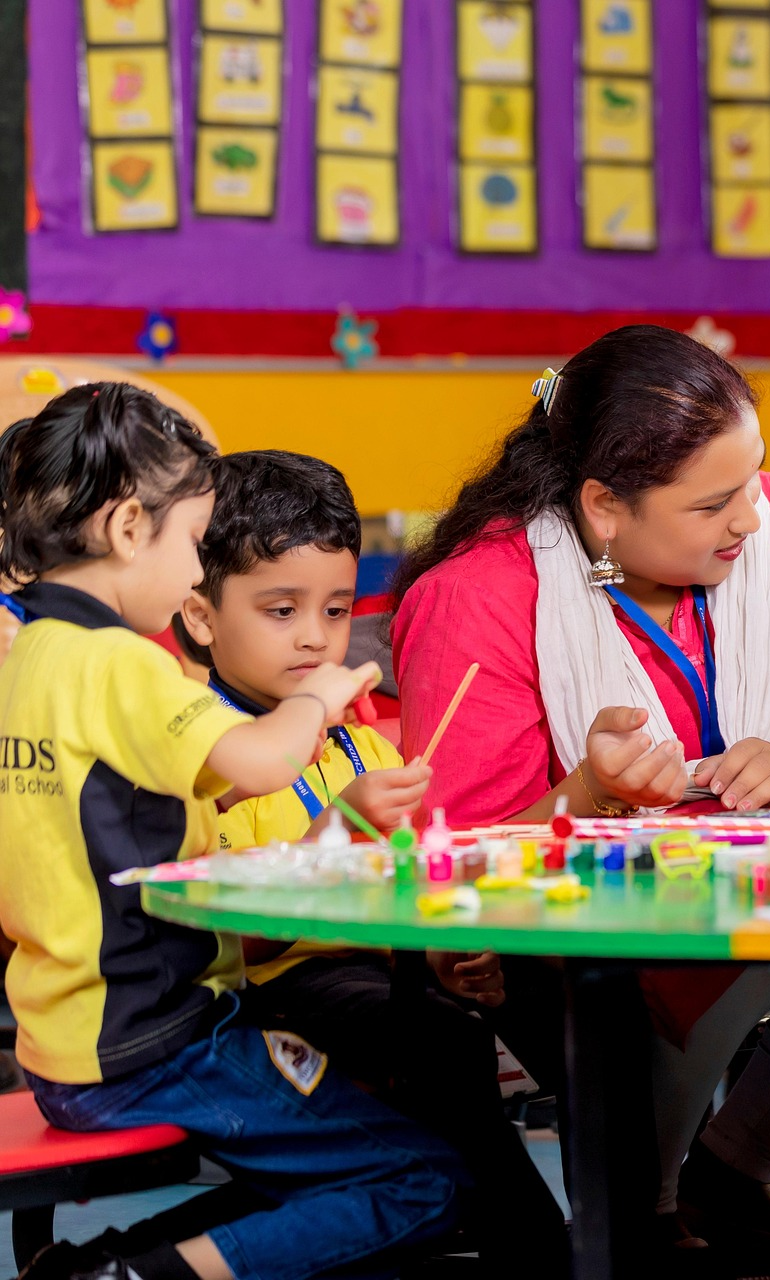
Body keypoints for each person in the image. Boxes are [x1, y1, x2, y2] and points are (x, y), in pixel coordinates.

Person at [388, 324, 770, 1243]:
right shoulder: (481, 593)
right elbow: (459, 863)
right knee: (622, 1053)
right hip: (570, 938)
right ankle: (658, 1219)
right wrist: (592, 793)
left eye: (756, 477)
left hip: (763, 900)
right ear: (603, 510)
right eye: (715, 504)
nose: (751, 518)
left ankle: (729, 1174)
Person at [0, 384, 462, 1280]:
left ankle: (97, 1267)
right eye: (190, 545)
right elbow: (255, 763)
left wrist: (338, 822)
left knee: (344, 1162)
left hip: (65, 1037)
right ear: (132, 530)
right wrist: (323, 693)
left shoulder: (33, 659)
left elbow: (199, 791)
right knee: (425, 1176)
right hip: (155, 1041)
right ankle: (135, 1278)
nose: (187, 580)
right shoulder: (118, 663)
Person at [173, 450, 570, 1278]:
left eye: (337, 607)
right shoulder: (201, 748)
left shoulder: (359, 742)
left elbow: (398, 891)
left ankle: (545, 1228)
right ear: (201, 615)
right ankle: (530, 1240)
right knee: (438, 1050)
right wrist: (338, 830)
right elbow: (218, 939)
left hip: (368, 980)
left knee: (518, 1007)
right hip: (254, 998)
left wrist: (439, 952)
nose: (317, 635)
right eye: (281, 609)